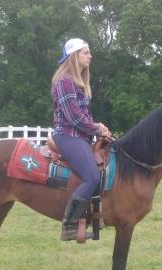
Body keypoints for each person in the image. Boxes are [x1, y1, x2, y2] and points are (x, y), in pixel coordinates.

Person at [51, 38, 112, 241]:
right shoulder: (64, 82)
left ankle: (96, 217)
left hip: (80, 135)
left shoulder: (79, 83)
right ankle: (69, 226)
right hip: (67, 135)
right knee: (92, 176)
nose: (90, 56)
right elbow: (74, 118)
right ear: (74, 57)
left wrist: (98, 127)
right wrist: (97, 127)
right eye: (86, 52)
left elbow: (85, 115)